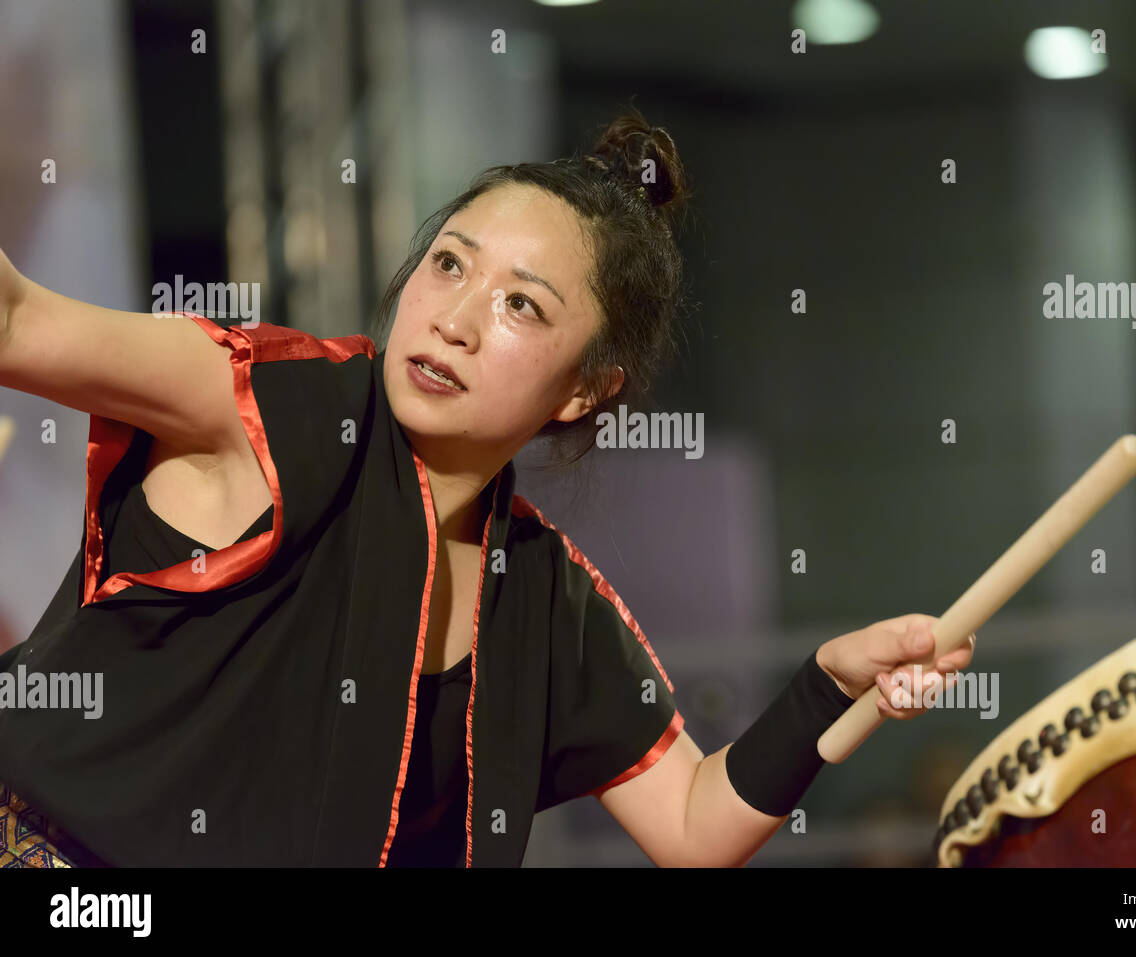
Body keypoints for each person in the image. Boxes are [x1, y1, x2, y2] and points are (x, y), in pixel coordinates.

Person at [0, 109, 974, 868]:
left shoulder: (542, 602)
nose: (457, 318)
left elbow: (691, 825)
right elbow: (18, 324)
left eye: (520, 305)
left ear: (588, 388)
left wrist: (825, 693)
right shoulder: (260, 400)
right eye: (450, 263)